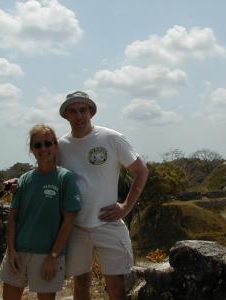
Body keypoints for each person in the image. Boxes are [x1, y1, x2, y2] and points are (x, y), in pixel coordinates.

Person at [58, 91, 148, 300]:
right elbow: (48, 174)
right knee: (80, 286)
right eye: (73, 111)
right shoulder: (61, 146)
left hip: (108, 223)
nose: (79, 116)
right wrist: (20, 182)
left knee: (116, 288)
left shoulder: (111, 138)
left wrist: (126, 206)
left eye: (83, 110)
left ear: (91, 112)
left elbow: (141, 170)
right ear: (66, 115)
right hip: (77, 226)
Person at [0, 124, 81, 300]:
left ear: (55, 146)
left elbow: (69, 220)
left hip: (47, 255)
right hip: (18, 253)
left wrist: (53, 257)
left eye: (48, 143)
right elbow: (13, 216)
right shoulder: (24, 179)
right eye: (38, 145)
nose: (43, 149)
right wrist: (11, 250)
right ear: (31, 150)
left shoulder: (65, 178)